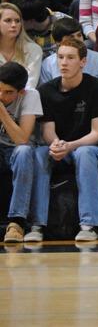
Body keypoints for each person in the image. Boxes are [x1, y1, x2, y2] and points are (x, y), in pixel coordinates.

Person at [33, 36, 98, 242]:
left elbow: (96, 133)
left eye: (70, 58)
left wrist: (70, 146)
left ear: (83, 62)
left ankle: (88, 224)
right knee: (40, 154)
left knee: (86, 154)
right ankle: (36, 225)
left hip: (85, 146)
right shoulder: (46, 90)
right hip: (59, 145)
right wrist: (57, 144)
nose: (64, 63)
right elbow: (47, 130)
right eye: (60, 57)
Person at [0, 62, 42, 243]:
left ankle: (16, 222)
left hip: (17, 151)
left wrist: (2, 112)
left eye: (8, 92)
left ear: (21, 91)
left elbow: (22, 139)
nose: (2, 96)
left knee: (24, 152)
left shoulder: (31, 95)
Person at [39, 16, 98, 88]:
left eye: (79, 35)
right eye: (71, 37)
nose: (77, 40)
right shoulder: (48, 65)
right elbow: (46, 96)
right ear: (58, 42)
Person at [0, 3, 42, 89]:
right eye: (8, 20)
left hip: (23, 96)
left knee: (32, 94)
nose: (14, 25)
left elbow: (30, 84)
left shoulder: (33, 49)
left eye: (17, 21)